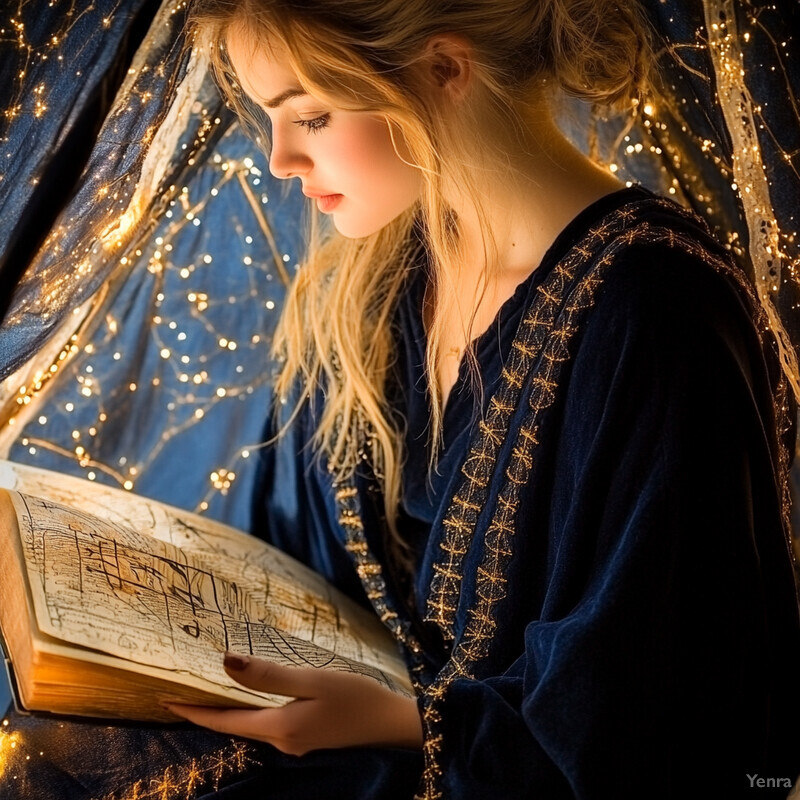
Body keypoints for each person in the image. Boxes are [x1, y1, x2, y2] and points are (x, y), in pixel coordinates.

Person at [2, 1, 799, 798]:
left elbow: (662, 727)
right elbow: (289, 549)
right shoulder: (386, 277)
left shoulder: (656, 314)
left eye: (309, 116)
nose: (280, 160)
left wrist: (402, 720)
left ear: (445, 69)